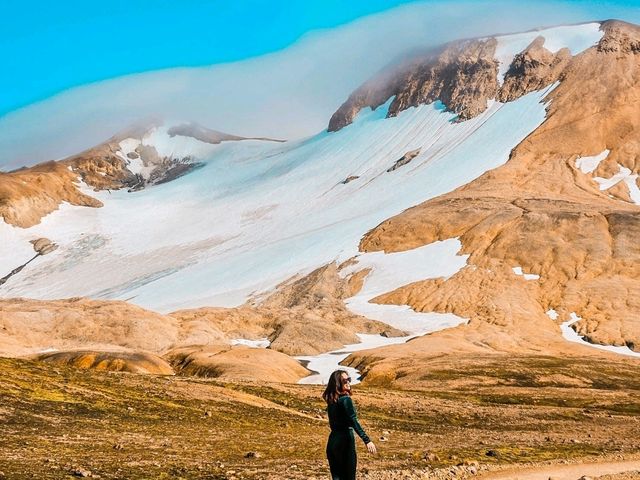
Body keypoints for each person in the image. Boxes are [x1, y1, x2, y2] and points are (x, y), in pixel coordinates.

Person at [323, 369, 377, 480]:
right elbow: (353, 421)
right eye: (344, 380)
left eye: (349, 379)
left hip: (332, 441)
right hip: (345, 441)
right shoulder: (346, 399)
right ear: (338, 383)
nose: (348, 382)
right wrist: (367, 440)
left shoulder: (332, 401)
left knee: (337, 477)